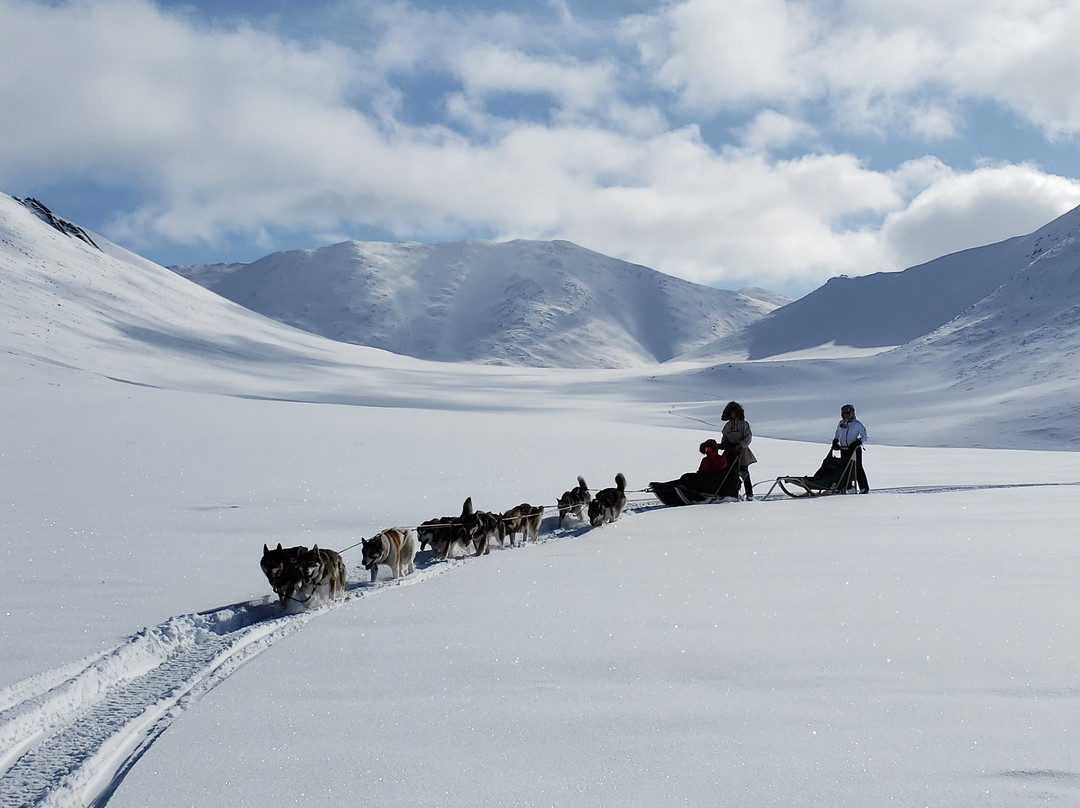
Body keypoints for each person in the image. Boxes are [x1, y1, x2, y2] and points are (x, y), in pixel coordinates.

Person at [720, 401, 757, 500]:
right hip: (730, 452)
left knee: (744, 473)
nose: (733, 414)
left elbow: (748, 437)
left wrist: (741, 445)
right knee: (729, 473)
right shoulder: (727, 426)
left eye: (735, 412)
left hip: (742, 452)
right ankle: (731, 492)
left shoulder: (744, 424)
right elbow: (725, 438)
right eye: (731, 412)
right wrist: (722, 445)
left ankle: (749, 494)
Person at [832, 403, 869, 493]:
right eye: (844, 413)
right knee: (844, 468)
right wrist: (835, 441)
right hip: (844, 449)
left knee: (858, 468)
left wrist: (858, 442)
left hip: (855, 450)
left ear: (852, 413)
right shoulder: (841, 424)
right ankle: (847, 486)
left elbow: (865, 436)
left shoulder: (857, 424)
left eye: (848, 413)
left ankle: (864, 488)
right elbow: (837, 433)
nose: (846, 415)